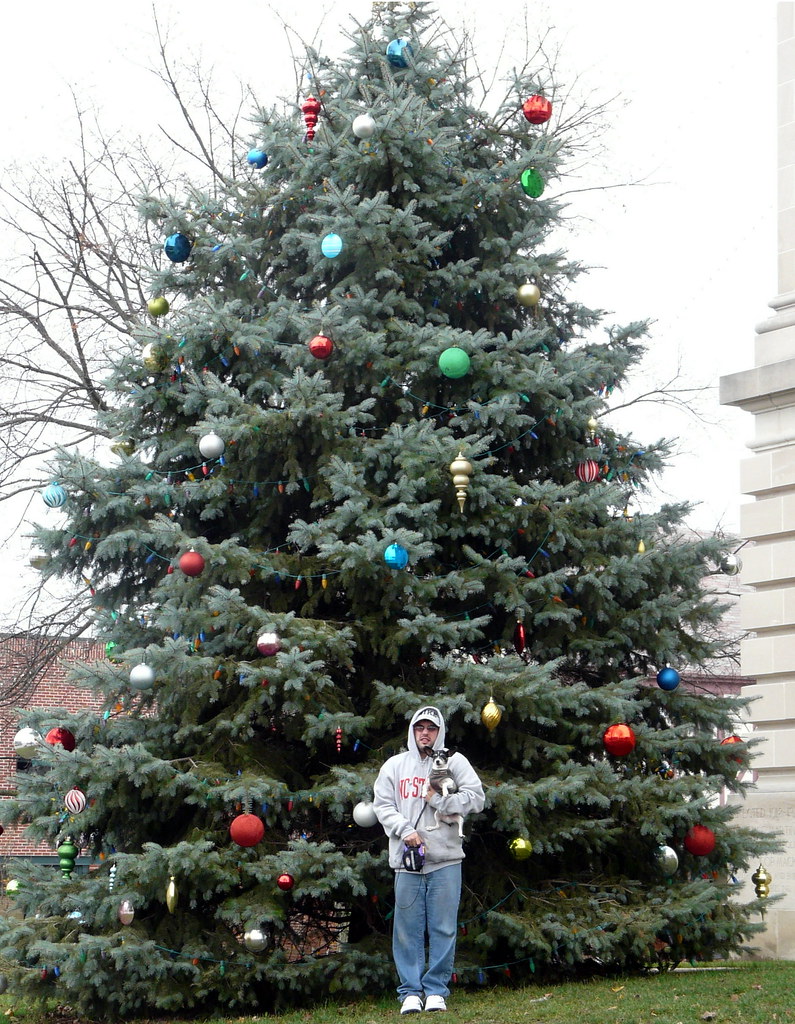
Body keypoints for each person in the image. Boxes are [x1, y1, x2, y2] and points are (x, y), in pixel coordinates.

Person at [373, 705, 485, 1014]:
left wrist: (439, 801)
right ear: (412, 731)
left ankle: (436, 990)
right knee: (406, 930)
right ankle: (410, 992)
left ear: (440, 732)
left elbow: (476, 798)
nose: (425, 733)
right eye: (420, 727)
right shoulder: (394, 766)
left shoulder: (455, 762)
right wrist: (406, 830)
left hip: (446, 859)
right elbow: (383, 805)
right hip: (407, 861)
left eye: (431, 728)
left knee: (443, 927)